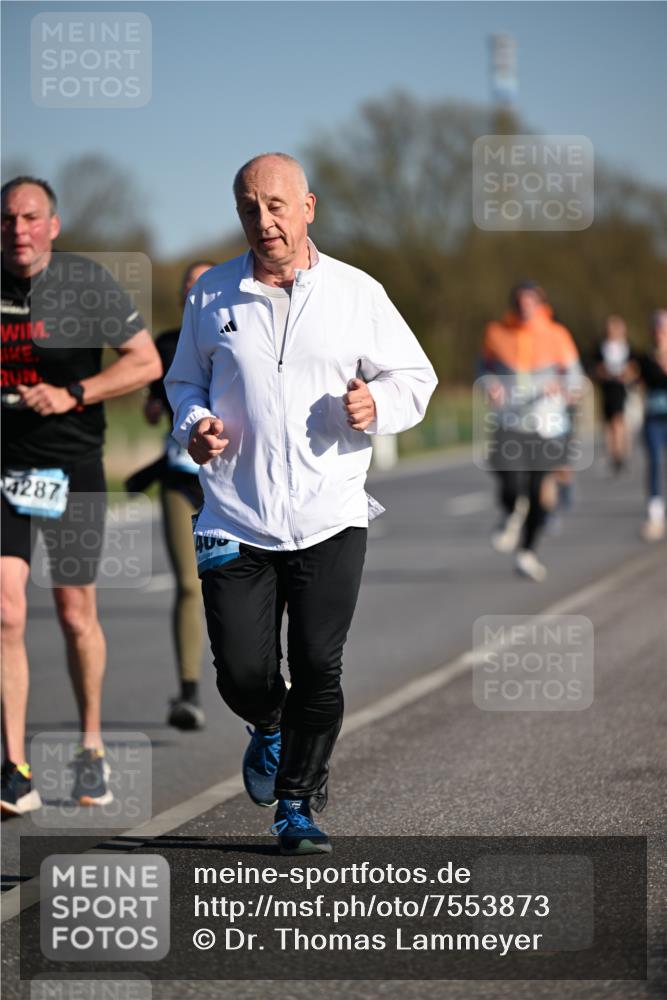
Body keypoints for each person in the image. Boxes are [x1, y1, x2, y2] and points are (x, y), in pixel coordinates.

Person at [164, 153, 437, 854]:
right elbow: (182, 384)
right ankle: (268, 724)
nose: (265, 221)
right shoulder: (213, 295)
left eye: (277, 206)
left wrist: (375, 403)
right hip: (235, 513)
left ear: (308, 207)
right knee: (244, 674)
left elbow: (415, 376)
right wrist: (195, 426)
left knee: (319, 662)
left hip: (329, 510)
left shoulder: (356, 293)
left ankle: (295, 802)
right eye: (250, 208)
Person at [1, 177, 162, 815]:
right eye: (8, 219)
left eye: (31, 217)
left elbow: (145, 361)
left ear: (54, 225)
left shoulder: (84, 283)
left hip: (71, 467)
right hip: (3, 468)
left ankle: (90, 748)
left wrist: (74, 394)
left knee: (74, 615)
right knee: (7, 611)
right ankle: (13, 764)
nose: (18, 230)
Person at [128, 260, 214, 730]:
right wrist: (154, 403)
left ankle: (273, 675)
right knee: (188, 583)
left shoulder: (240, 334)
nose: (195, 291)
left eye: (204, 283)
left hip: (233, 482)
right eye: (188, 286)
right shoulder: (165, 345)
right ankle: (189, 694)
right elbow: (151, 409)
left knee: (266, 581)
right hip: (180, 478)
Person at [479, 281, 583, 582]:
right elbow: (482, 368)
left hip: (546, 423)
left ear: (540, 304)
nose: (526, 308)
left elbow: (575, 377)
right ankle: (512, 509)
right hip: (509, 420)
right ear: (514, 304)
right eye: (521, 302)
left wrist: (563, 387)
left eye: (531, 302)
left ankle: (527, 553)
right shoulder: (496, 333)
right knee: (508, 479)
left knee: (539, 491)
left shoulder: (557, 334)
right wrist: (490, 384)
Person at [632, 310, 667, 541]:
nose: (659, 334)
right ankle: (655, 511)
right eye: (656, 329)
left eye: (663, 329)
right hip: (653, 417)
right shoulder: (645, 358)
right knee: (654, 461)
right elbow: (636, 382)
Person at [592, 314, 636, 474]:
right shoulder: (601, 346)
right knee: (609, 423)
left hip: (621, 388)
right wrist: (605, 373)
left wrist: (625, 375)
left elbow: (633, 368)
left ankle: (621, 453)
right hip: (607, 388)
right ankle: (613, 453)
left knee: (619, 421)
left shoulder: (627, 346)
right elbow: (596, 368)